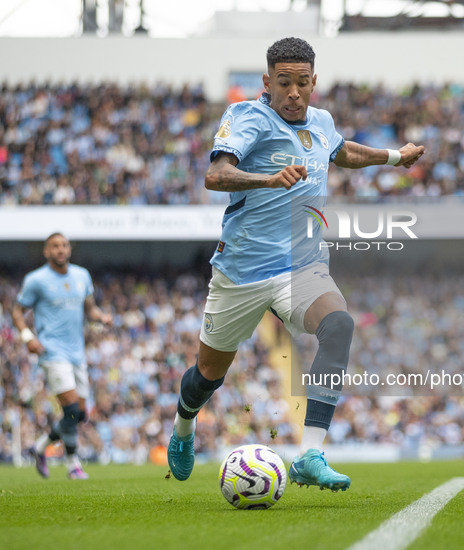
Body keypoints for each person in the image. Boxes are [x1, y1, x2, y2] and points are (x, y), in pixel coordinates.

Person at [168, 37, 425, 490]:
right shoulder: (247, 116)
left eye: (301, 83)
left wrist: (394, 157)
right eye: (283, 83)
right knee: (207, 376)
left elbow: (342, 153)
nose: (293, 92)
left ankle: (310, 453)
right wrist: (267, 179)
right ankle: (184, 427)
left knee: (339, 325)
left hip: (300, 268)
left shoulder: (322, 123)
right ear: (268, 82)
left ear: (313, 83)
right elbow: (216, 175)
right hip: (242, 271)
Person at [11, 232, 112, 479]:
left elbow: (90, 308)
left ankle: (41, 446)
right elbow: (16, 311)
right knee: (70, 410)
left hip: (77, 353)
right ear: (46, 251)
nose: (60, 250)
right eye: (55, 246)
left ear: (69, 249)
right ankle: (72, 464)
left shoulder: (81, 276)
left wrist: (100, 317)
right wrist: (28, 338)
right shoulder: (36, 280)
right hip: (52, 352)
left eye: (64, 245)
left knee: (80, 413)